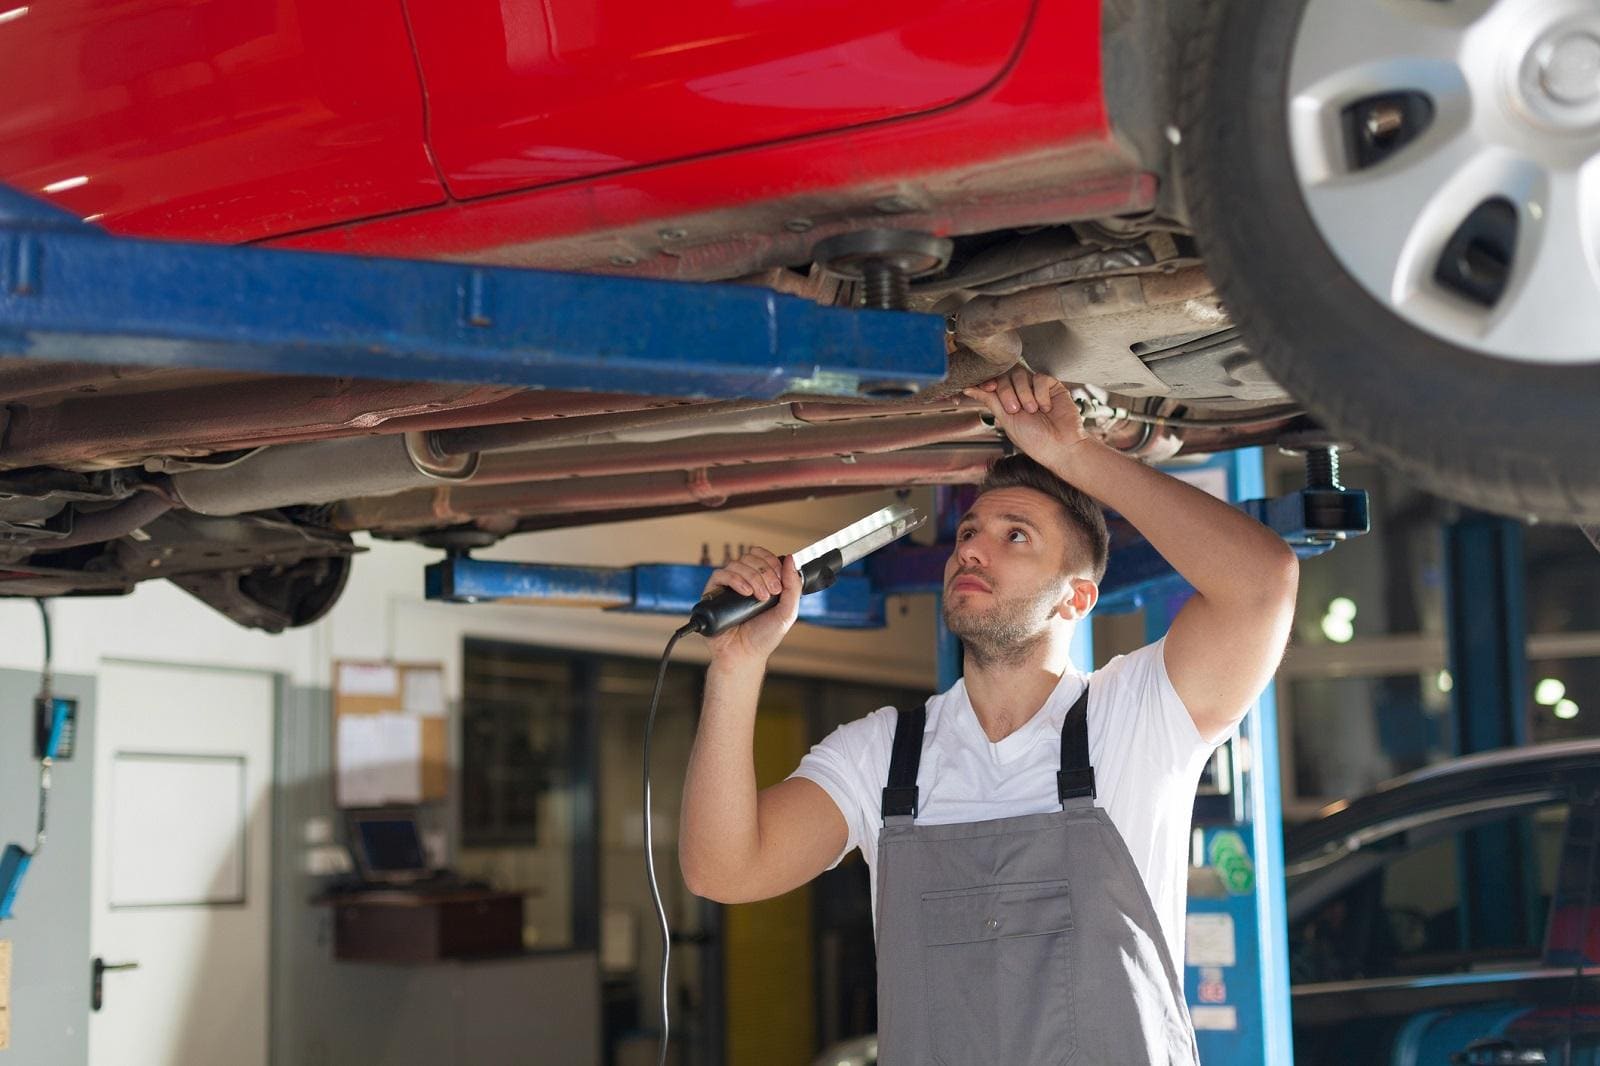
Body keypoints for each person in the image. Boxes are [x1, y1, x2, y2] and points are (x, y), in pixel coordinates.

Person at [679, 367, 1299, 1064]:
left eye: (1016, 536)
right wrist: (736, 667)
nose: (970, 546)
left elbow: (1262, 584)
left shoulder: (1136, 717)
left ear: (1076, 600)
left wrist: (1075, 455)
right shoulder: (886, 757)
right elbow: (722, 871)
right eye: (970, 531)